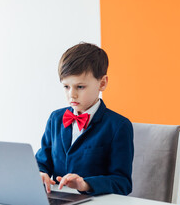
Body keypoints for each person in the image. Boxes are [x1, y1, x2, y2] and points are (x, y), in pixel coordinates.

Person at [35, 42, 134, 196]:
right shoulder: (56, 119)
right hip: (58, 202)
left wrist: (85, 184)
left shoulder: (119, 126)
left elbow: (122, 183)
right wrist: (40, 173)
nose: (72, 95)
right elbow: (42, 162)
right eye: (66, 87)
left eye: (80, 87)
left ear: (102, 83)